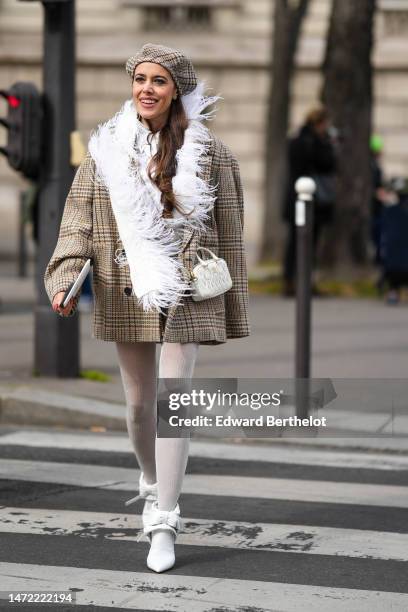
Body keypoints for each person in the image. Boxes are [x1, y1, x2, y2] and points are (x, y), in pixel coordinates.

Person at [44, 43, 250, 573]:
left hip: (189, 290)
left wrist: (230, 302)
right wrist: (66, 275)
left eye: (159, 80)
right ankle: (151, 478)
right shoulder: (107, 149)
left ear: (176, 89)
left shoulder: (211, 152)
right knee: (138, 404)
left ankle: (164, 518)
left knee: (171, 400)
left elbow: (230, 234)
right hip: (125, 280)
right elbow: (78, 221)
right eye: (140, 78)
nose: (147, 89)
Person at [282, 105, 337, 297]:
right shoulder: (312, 143)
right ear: (319, 124)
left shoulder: (297, 140)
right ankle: (298, 281)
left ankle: (295, 281)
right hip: (309, 201)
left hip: (298, 200)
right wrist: (328, 144)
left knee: (298, 243)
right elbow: (327, 163)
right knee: (304, 243)